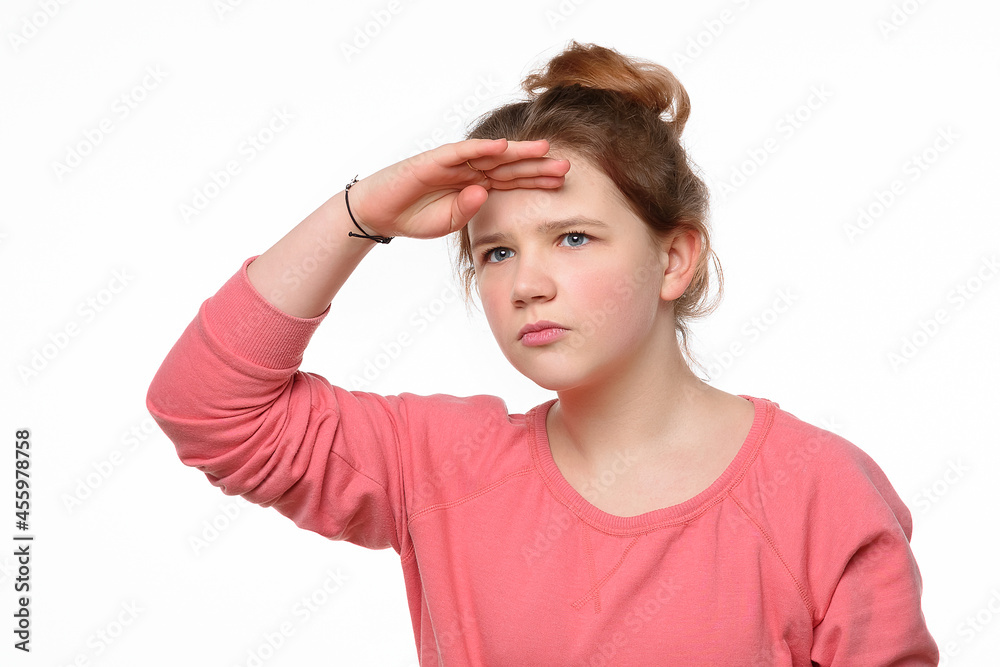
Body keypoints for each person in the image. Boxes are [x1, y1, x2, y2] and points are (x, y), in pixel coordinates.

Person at [146, 40, 939, 665]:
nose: (528, 282)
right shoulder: (440, 467)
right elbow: (207, 408)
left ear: (673, 260)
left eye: (572, 237)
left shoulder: (821, 494)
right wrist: (365, 209)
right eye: (494, 253)